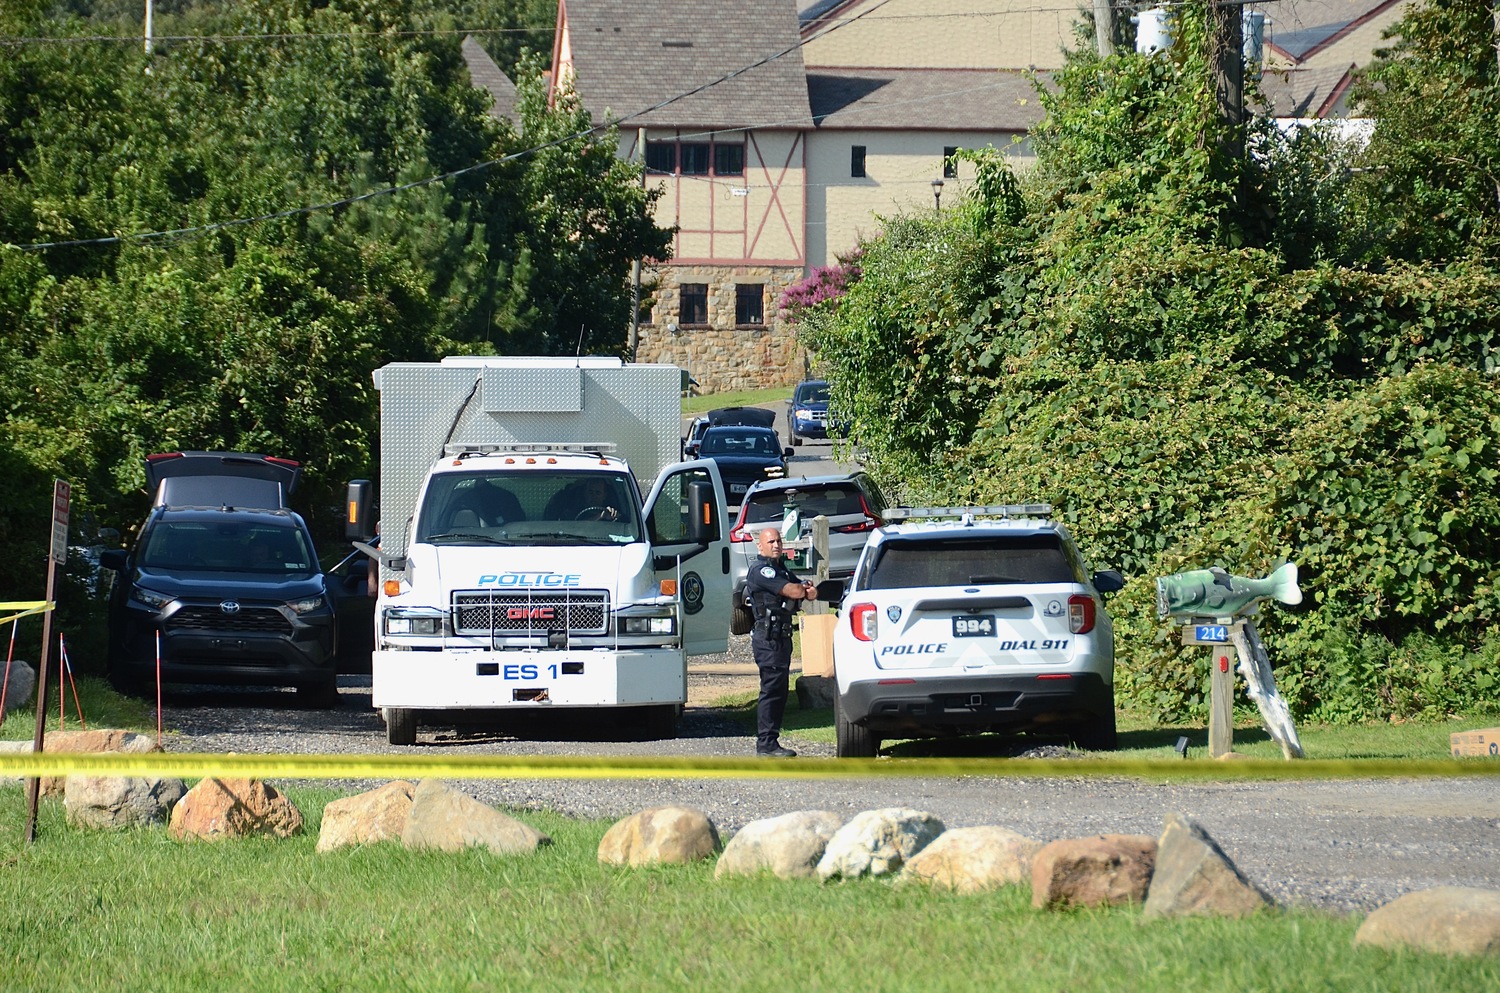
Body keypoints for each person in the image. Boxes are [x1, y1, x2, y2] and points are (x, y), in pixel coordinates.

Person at [744, 526, 818, 757]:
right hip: (768, 639)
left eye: (778, 541)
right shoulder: (761, 571)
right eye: (771, 542)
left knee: (779, 691)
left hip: (781, 638)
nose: (776, 545)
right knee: (772, 691)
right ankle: (766, 744)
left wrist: (806, 589)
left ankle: (770, 741)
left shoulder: (781, 569)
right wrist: (803, 590)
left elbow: (806, 589)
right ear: (760, 546)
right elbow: (795, 591)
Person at [545, 476, 620, 522]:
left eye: (598, 493)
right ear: (585, 493)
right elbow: (574, 530)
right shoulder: (571, 513)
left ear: (604, 495)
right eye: (590, 492)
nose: (593, 496)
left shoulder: (611, 513)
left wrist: (614, 516)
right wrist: (599, 516)